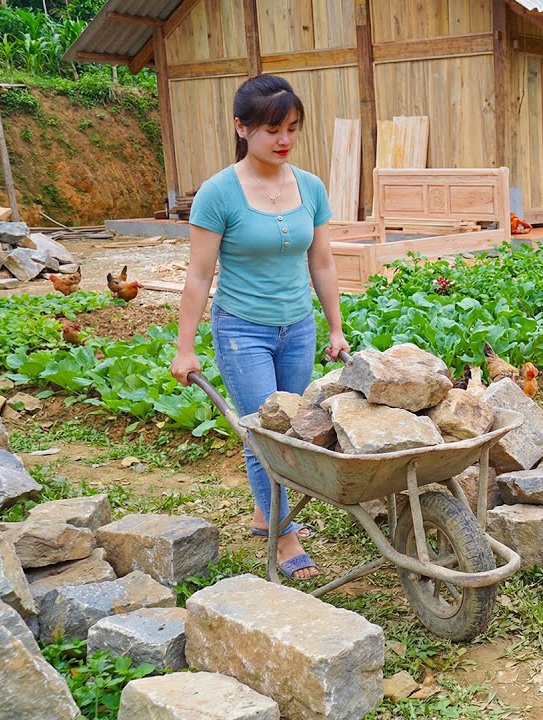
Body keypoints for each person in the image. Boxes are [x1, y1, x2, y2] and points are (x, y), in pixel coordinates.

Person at [170, 75, 350, 580]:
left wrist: (334, 327)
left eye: (292, 127)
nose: (284, 139)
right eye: (272, 129)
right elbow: (199, 274)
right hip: (241, 329)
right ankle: (284, 537)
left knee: (289, 430)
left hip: (297, 328)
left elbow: (323, 264)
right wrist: (185, 348)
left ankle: (262, 511)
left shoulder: (309, 186)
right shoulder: (218, 193)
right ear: (242, 128)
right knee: (263, 437)